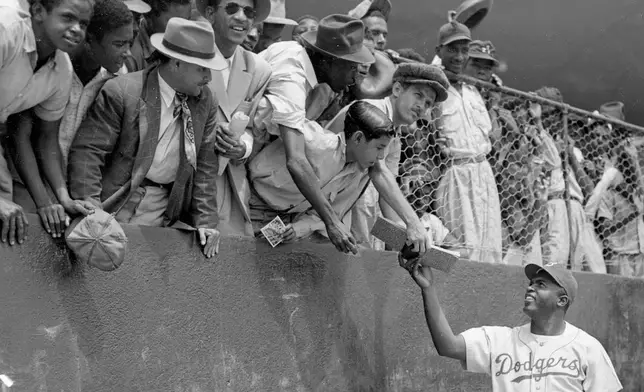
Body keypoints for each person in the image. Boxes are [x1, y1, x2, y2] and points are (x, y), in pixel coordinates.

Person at [67, 18, 226, 258]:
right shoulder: (122, 91)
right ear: (176, 63)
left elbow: (205, 166)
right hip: (114, 202)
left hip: (163, 210)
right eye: (202, 68)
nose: (208, 78)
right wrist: (91, 206)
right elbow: (89, 151)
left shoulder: (206, 101)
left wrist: (206, 222)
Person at [401, 258, 623, 391]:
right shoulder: (500, 340)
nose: (530, 288)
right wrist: (428, 288)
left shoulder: (587, 348)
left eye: (541, 285)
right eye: (530, 283)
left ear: (561, 300)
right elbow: (447, 345)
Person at [12, 0, 135, 240]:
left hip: (68, 189)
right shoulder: (54, 64)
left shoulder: (118, 80)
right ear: (89, 39)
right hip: (26, 179)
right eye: (119, 44)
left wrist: (68, 197)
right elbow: (22, 134)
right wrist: (45, 201)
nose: (128, 52)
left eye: (130, 43)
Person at [250, 101, 430, 255]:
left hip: (281, 220)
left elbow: (332, 212)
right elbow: (274, 113)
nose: (382, 156)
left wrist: (299, 228)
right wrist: (245, 144)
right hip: (249, 200)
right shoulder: (317, 142)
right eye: (379, 147)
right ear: (358, 138)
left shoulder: (358, 176)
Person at [325, 62, 450, 250]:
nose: (421, 106)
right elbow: (379, 172)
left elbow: (385, 194)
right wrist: (413, 223)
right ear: (398, 89)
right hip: (312, 205)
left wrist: (403, 236)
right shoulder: (369, 112)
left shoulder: (395, 137)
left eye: (428, 103)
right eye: (418, 95)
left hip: (337, 214)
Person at [0, 0, 93, 245]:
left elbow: (45, 139)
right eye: (68, 18)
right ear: (39, 11)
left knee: (9, 218)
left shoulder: (62, 69)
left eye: (83, 24)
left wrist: (61, 199)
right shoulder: (6, 29)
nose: (76, 29)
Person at [197, 0, 271, 236]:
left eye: (248, 12)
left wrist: (243, 148)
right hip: (190, 179)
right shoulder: (192, 53)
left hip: (232, 184)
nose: (241, 17)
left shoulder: (259, 68)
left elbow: (253, 128)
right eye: (231, 9)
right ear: (210, 13)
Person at [433, 20, 503, 264]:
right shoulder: (435, 88)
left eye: (464, 50)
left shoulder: (473, 91)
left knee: (491, 247)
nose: (459, 56)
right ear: (438, 51)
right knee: (465, 246)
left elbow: (490, 136)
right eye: (452, 49)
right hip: (457, 173)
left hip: (484, 172)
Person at [533, 87, 606, 273]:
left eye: (557, 114)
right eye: (548, 113)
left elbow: (588, 188)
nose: (554, 119)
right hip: (554, 202)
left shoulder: (573, 148)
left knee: (579, 262)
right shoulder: (536, 138)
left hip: (576, 206)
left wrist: (571, 155)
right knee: (555, 258)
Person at [125, 0, 192, 72]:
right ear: (148, 16)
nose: (182, 30)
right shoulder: (131, 55)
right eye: (174, 23)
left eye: (186, 21)